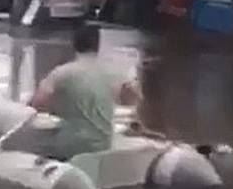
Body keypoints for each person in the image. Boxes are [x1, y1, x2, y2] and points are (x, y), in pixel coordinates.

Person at [13, 25, 140, 160]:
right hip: (102, 145)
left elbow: (37, 104)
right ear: (98, 46)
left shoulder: (61, 73)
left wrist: (56, 107)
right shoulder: (113, 73)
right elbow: (132, 98)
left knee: (31, 141)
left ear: (74, 44)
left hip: (69, 146)